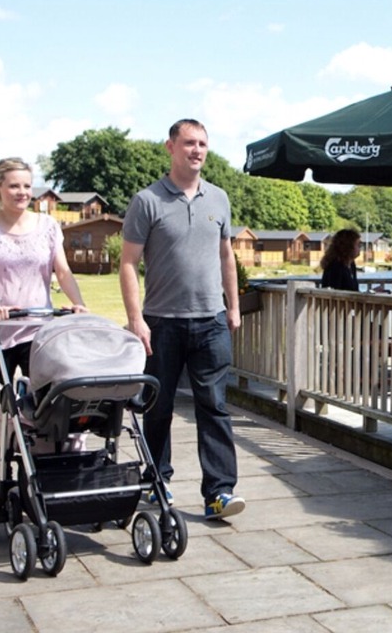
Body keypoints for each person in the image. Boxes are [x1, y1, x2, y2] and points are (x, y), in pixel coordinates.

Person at [120, 118, 245, 521]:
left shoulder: (219, 198)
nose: (197, 150)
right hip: (162, 322)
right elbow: (128, 263)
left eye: (203, 144)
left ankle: (219, 493)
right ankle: (157, 481)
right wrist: (136, 319)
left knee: (215, 406)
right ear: (170, 147)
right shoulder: (147, 201)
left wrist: (233, 306)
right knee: (158, 407)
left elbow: (226, 255)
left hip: (211, 322)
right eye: (189, 143)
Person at [0, 157, 88, 467]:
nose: (22, 192)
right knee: (2, 403)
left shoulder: (47, 226)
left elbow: (63, 271)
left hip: (38, 329)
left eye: (26, 186)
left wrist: (78, 303)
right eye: (14, 186)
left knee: (46, 401)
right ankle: (3, 472)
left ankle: (44, 467)